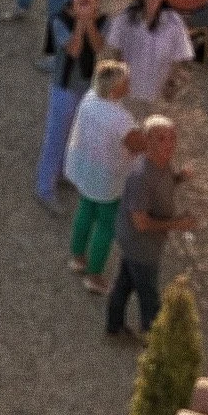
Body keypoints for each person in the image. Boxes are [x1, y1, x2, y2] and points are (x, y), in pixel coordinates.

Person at [106, 116, 194, 339]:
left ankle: (113, 326)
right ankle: (152, 337)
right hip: (140, 244)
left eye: (173, 137)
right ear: (147, 141)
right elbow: (141, 223)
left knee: (125, 282)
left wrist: (179, 178)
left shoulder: (162, 163)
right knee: (149, 294)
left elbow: (163, 183)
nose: (170, 144)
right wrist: (177, 224)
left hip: (139, 243)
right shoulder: (141, 176)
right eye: (162, 138)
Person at [63, 58, 142, 291]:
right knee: (106, 225)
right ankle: (94, 275)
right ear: (116, 89)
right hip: (107, 177)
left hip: (85, 167)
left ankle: (77, 257)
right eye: (126, 82)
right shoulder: (120, 119)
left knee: (85, 210)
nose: (129, 85)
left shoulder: (90, 98)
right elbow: (137, 145)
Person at [37, 0, 106, 211]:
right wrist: (81, 23)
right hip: (64, 87)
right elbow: (74, 50)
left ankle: (64, 173)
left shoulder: (103, 20)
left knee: (76, 134)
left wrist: (89, 23)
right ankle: (45, 188)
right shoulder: (60, 19)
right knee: (56, 137)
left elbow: (98, 47)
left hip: (86, 87)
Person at [107, 0, 196, 111]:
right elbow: (115, 51)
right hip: (127, 89)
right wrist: (115, 80)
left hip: (155, 92)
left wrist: (171, 83)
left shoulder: (174, 22)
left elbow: (179, 56)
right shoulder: (127, 17)